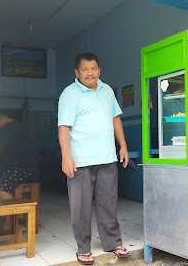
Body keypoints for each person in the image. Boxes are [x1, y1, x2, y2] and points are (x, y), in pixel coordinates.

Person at [58, 53, 130, 265]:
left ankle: (113, 242)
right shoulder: (69, 94)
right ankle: (83, 247)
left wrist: (123, 145)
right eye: (85, 69)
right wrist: (66, 156)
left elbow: (115, 118)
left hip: (107, 158)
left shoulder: (107, 90)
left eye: (94, 68)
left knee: (108, 203)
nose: (90, 73)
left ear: (99, 70)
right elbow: (64, 127)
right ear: (77, 72)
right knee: (80, 207)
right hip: (80, 161)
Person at [0, 104, 37, 234]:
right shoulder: (7, 128)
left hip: (24, 168)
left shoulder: (9, 130)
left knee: (1, 187)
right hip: (8, 166)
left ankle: (9, 224)